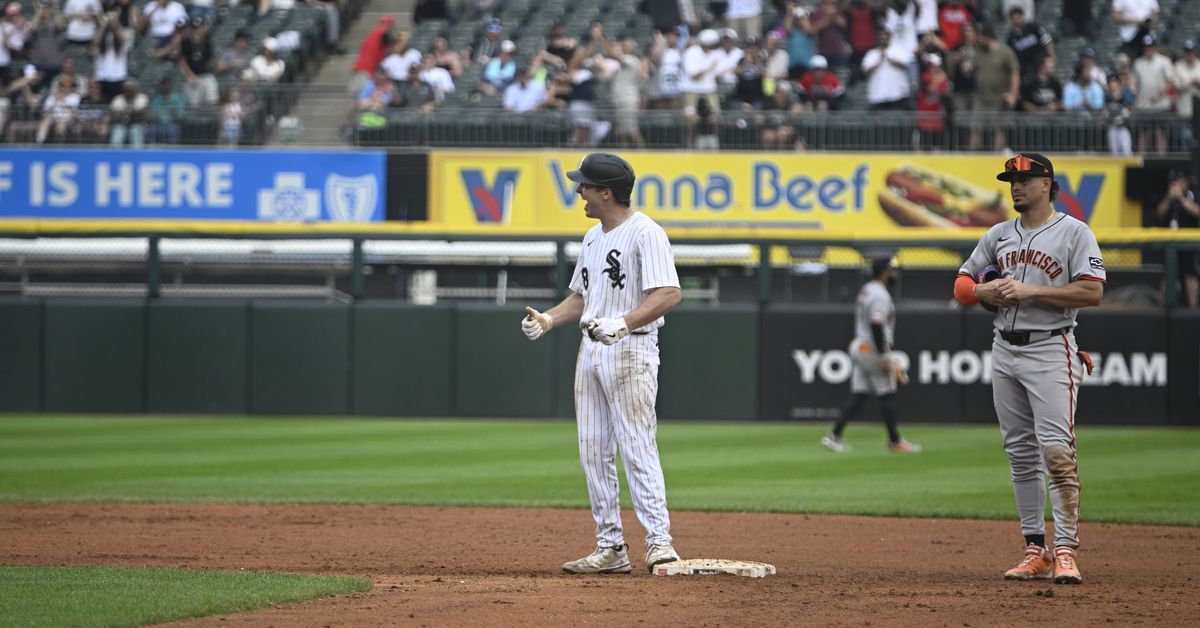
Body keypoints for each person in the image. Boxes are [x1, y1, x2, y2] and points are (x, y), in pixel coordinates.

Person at [521, 153, 683, 576]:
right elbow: (582, 296)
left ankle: (659, 543)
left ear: (606, 192)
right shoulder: (593, 236)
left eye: (586, 186)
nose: (580, 192)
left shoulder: (646, 233)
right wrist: (551, 319)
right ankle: (610, 547)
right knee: (593, 450)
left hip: (632, 349)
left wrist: (623, 324)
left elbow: (668, 293)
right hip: (591, 349)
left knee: (636, 445)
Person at [953, 152, 1105, 586]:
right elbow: (962, 285)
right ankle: (1035, 549)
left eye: (1025, 179)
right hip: (1005, 349)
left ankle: (1066, 550)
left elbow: (1092, 292)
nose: (1016, 186)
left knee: (1057, 451)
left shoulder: (1074, 232)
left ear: (1047, 184)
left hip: (1050, 347)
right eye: (1011, 180)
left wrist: (1029, 291)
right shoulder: (999, 233)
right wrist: (986, 290)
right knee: (1020, 454)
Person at [822, 256, 921, 454]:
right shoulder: (879, 295)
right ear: (884, 272)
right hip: (871, 348)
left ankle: (834, 436)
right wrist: (885, 358)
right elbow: (877, 325)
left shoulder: (868, 289)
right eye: (891, 270)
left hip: (860, 345)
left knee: (859, 393)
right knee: (888, 391)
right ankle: (895, 441)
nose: (894, 274)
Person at [1155, 170, 1199, 307]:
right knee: (1167, 275)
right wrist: (1169, 198)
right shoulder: (1168, 197)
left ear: (1185, 183)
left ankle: (1193, 306)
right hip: (1170, 242)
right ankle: (1164, 305)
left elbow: (1197, 211)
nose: (1176, 185)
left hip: (1188, 242)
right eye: (1174, 182)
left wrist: (1181, 198)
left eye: (1179, 182)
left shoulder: (1191, 196)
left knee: (1190, 274)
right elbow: (1159, 212)